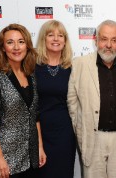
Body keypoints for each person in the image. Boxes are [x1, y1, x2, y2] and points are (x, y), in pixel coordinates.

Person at [67, 20, 116, 178]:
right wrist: (80, 129)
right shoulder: (80, 64)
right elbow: (72, 101)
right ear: (96, 40)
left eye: (114, 40)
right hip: (93, 139)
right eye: (104, 39)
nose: (109, 45)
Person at [0, 23, 46, 178]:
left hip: (30, 159)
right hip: (6, 161)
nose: (16, 47)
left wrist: (39, 147)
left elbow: (35, 116)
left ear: (27, 45)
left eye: (21, 42)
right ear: (2, 48)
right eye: (10, 42)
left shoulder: (30, 75)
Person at [34, 20, 76, 178]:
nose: (56, 39)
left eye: (60, 35)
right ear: (44, 39)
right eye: (51, 35)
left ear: (65, 41)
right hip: (39, 131)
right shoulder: (32, 67)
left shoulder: (72, 68)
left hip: (65, 133)